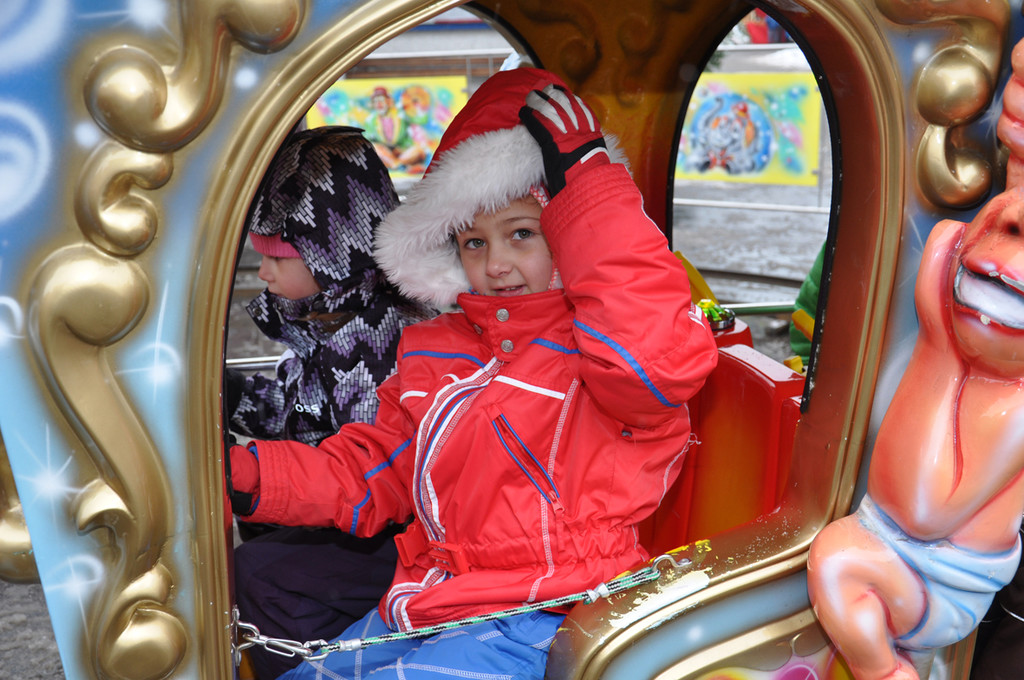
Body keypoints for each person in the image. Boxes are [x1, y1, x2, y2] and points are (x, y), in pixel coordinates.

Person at [227, 67, 719, 679]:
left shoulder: (598, 351)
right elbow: (370, 471)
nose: (498, 264)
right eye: (474, 243)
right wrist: (248, 474)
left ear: (568, 233)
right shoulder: (439, 349)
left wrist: (589, 187)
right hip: (435, 599)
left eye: (522, 234)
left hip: (553, 611)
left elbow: (651, 363)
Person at [225, 126, 434, 679]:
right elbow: (302, 412)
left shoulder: (375, 339)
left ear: (333, 253)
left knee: (258, 573)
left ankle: (315, 666)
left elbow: (363, 470)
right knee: (260, 540)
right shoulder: (329, 318)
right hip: (348, 509)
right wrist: (233, 398)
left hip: (393, 531)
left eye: (278, 257)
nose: (263, 271)